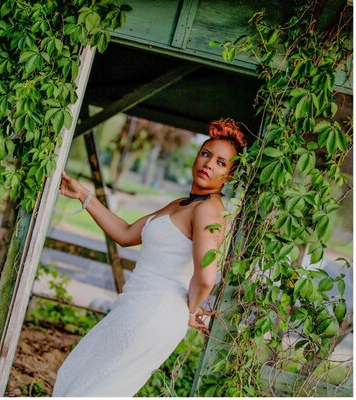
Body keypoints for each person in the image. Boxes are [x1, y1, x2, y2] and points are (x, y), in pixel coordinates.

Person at [52, 118, 247, 397]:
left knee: (92, 389)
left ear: (228, 176)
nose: (208, 164)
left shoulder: (207, 211)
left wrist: (188, 310)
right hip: (140, 304)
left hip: (153, 312)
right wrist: (84, 195)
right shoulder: (183, 204)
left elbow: (206, 276)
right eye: (206, 154)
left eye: (220, 162)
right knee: (86, 381)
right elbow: (126, 233)